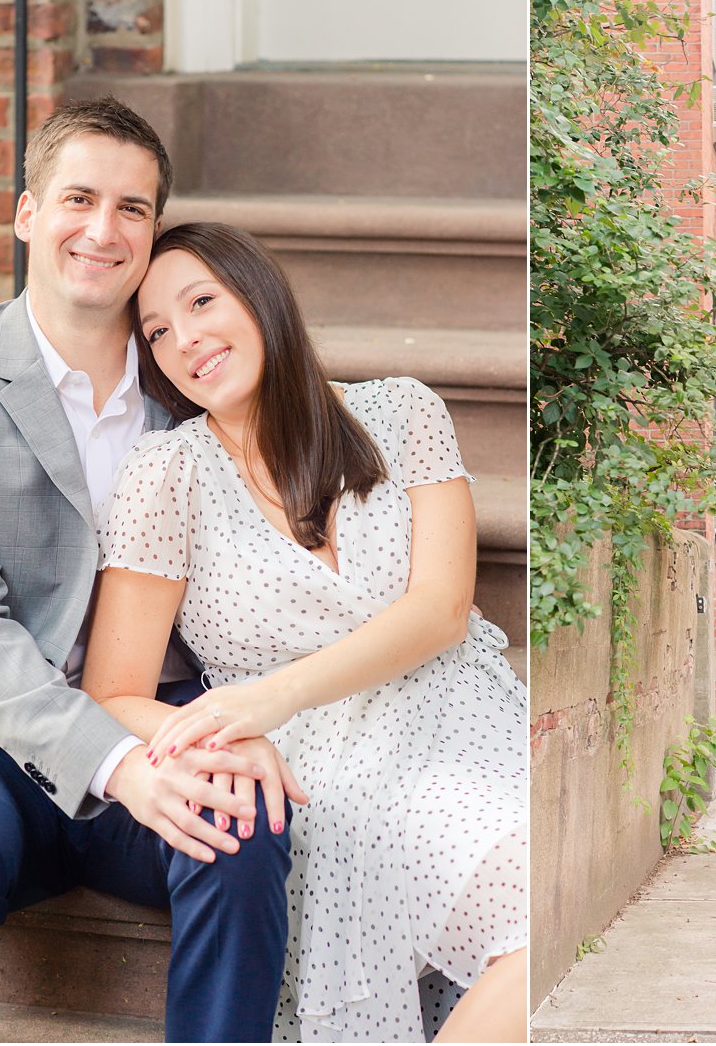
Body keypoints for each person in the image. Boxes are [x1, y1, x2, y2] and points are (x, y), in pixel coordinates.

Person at [0, 98, 299, 1043]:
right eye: (78, 198)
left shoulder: (192, 375)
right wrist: (116, 763)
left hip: (159, 712)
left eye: (133, 208)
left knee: (245, 830)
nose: (103, 229)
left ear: (154, 230)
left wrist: (225, 726)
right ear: (25, 213)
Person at [82, 221, 529, 1043]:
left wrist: (265, 695)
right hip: (309, 768)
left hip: (454, 719)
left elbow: (440, 609)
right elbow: (112, 691)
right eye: (156, 331)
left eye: (202, 301)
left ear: (260, 292)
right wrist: (219, 739)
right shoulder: (166, 474)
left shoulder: (403, 412)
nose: (185, 339)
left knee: (544, 906)